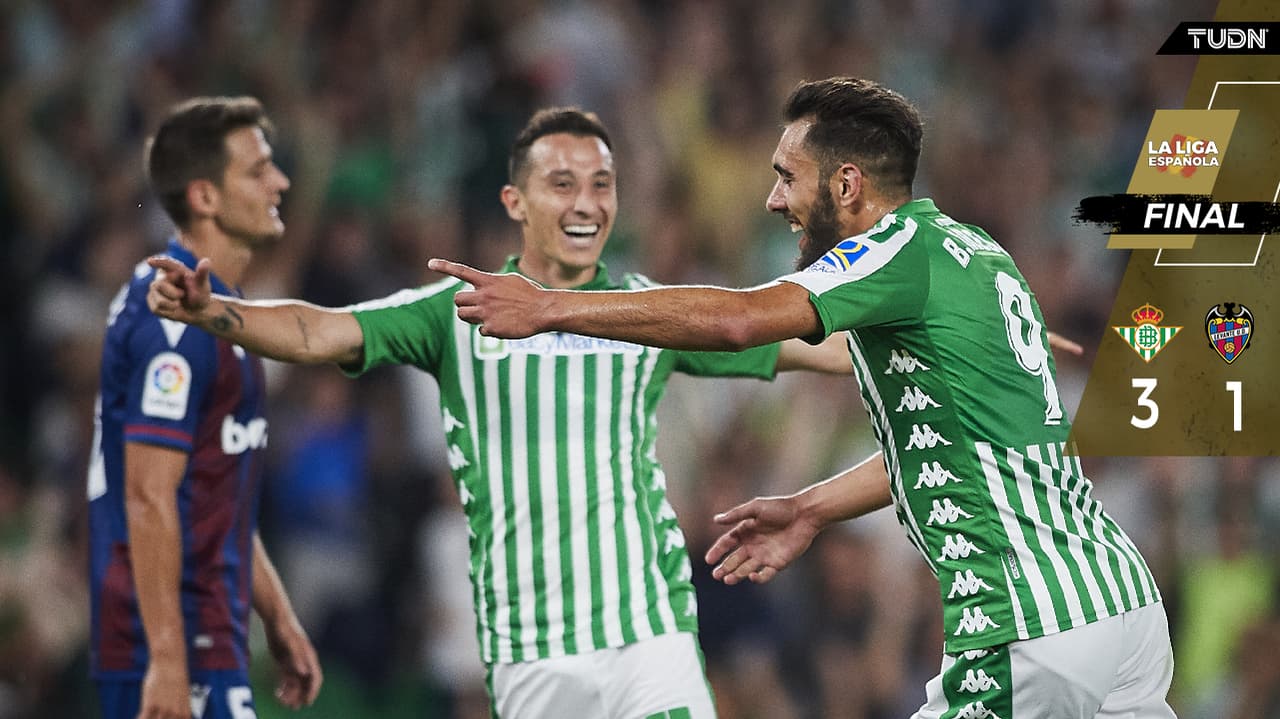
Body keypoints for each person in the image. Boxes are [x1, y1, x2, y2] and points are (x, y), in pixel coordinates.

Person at [427, 78, 1175, 717]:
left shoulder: (893, 251)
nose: (772, 198)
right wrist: (814, 506)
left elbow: (737, 319)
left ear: (847, 185)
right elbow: (958, 449)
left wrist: (553, 308)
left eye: (789, 175)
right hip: (1119, 603)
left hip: (1030, 621)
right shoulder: (977, 250)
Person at [145, 107, 853, 718]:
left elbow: (813, 345)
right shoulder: (455, 315)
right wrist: (215, 311)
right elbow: (318, 331)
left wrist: (922, 330)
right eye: (563, 183)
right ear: (516, 202)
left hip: (648, 631)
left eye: (602, 185)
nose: (587, 203)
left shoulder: (647, 311)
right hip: (530, 649)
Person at [88, 96, 322, 719]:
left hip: (207, 633)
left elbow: (214, 495)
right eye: (258, 170)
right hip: (165, 640)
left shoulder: (220, 309)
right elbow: (148, 495)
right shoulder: (174, 317)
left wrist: (277, 614)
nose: (280, 182)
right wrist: (166, 660)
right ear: (205, 196)